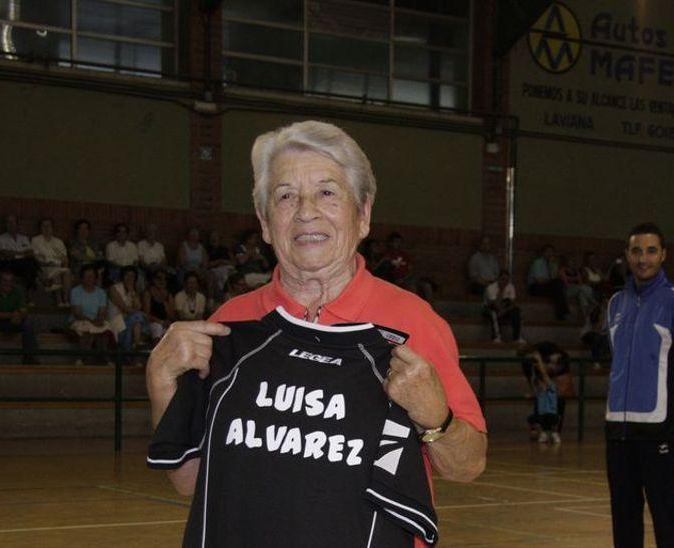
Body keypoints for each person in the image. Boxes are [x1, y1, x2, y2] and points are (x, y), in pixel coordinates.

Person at [144, 120, 487, 546]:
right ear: (266, 223)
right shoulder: (230, 325)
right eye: (286, 196)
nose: (306, 210)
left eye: (327, 192)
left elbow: (468, 466)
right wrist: (161, 382)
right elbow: (190, 480)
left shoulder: (414, 322)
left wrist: (436, 419)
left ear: (362, 214)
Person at [604, 222, 674, 548]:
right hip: (618, 431)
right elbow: (617, 359)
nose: (643, 258)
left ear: (663, 255)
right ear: (626, 256)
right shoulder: (615, 304)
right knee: (624, 520)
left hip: (660, 429)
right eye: (636, 251)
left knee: (670, 519)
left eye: (651, 251)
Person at [0, 270, 39, 364]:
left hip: (12, 321)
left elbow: (24, 310)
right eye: (5, 280)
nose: (8, 283)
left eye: (10, 281)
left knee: (28, 321)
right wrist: (11, 315)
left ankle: (29, 356)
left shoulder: (18, 290)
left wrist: (18, 315)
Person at [68, 266, 112, 364]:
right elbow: (77, 312)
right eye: (86, 276)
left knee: (105, 331)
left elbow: (102, 311)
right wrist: (92, 321)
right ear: (82, 278)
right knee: (88, 330)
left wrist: (100, 320)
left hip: (96, 320)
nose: (89, 279)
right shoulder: (75, 291)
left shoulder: (101, 293)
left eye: (91, 276)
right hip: (80, 320)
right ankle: (81, 358)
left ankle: (104, 358)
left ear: (95, 278)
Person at [107, 266, 147, 358]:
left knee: (134, 322)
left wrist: (132, 292)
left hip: (128, 320)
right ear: (122, 276)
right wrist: (139, 312)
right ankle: (136, 346)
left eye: (132, 276)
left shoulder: (132, 291)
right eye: (127, 276)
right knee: (137, 317)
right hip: (115, 320)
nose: (130, 278)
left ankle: (134, 347)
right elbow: (124, 307)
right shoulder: (114, 289)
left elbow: (138, 306)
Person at [31, 218, 72, 306]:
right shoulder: (35, 240)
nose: (46, 228)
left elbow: (64, 258)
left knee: (67, 272)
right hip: (43, 267)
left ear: (52, 228)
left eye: (48, 226)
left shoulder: (58, 242)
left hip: (58, 267)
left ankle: (65, 299)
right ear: (40, 228)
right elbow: (35, 258)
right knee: (56, 272)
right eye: (44, 226)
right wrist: (46, 263)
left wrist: (64, 264)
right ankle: (59, 301)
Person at [0, 215, 38, 289]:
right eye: (8, 222)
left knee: (32, 262)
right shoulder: (1, 238)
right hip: (9, 263)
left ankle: (29, 286)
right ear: (6, 225)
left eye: (13, 222)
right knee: (30, 264)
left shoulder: (24, 238)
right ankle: (32, 287)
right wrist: (22, 253)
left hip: (23, 263)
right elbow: (6, 254)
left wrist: (14, 253)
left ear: (17, 224)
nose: (11, 224)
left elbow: (30, 253)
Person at [527, 244, 567, 320]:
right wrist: (553, 281)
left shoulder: (550, 263)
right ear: (543, 252)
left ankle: (561, 314)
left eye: (551, 252)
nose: (550, 254)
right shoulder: (538, 262)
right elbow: (539, 280)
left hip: (546, 285)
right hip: (535, 287)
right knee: (558, 286)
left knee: (559, 287)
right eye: (547, 251)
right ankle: (563, 312)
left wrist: (553, 266)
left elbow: (554, 277)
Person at [559, 254, 597, 331]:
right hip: (567, 291)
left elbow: (580, 282)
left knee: (582, 295)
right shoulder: (562, 270)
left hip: (578, 290)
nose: (572, 262)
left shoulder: (575, 271)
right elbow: (565, 283)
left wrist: (573, 279)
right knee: (583, 288)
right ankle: (593, 301)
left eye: (573, 261)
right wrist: (574, 280)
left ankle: (586, 318)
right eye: (570, 261)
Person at [483, 269, 523, 343]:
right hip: (490, 308)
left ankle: (517, 337)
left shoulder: (510, 287)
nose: (504, 282)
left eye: (507, 280)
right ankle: (496, 337)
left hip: (504, 309)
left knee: (516, 311)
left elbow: (513, 303)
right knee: (493, 313)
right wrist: (501, 291)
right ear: (498, 279)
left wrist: (504, 311)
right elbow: (494, 304)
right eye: (503, 279)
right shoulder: (491, 288)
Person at [143, 270, 174, 342]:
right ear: (153, 279)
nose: (162, 281)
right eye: (159, 278)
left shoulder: (169, 295)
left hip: (165, 323)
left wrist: (165, 303)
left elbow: (172, 315)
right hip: (151, 323)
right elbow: (146, 314)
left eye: (164, 279)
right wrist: (160, 322)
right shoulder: (147, 293)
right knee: (157, 327)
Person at [204, 228, 234, 296]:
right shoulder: (207, 249)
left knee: (231, 274)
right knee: (211, 276)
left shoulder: (225, 249)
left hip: (226, 268)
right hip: (214, 270)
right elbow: (207, 264)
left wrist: (224, 262)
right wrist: (219, 262)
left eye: (216, 237)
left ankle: (231, 296)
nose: (214, 239)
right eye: (212, 237)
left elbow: (233, 262)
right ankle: (211, 300)